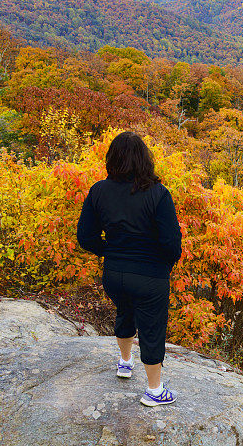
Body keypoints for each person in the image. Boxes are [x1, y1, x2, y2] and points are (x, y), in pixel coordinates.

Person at [77, 132, 182, 407]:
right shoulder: (158, 194)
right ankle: (155, 390)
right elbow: (172, 243)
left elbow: (85, 236)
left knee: (125, 311)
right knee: (151, 327)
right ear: (144, 160)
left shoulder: (98, 190)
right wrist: (163, 265)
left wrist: (109, 252)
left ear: (112, 158)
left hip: (114, 274)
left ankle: (125, 362)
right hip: (149, 274)